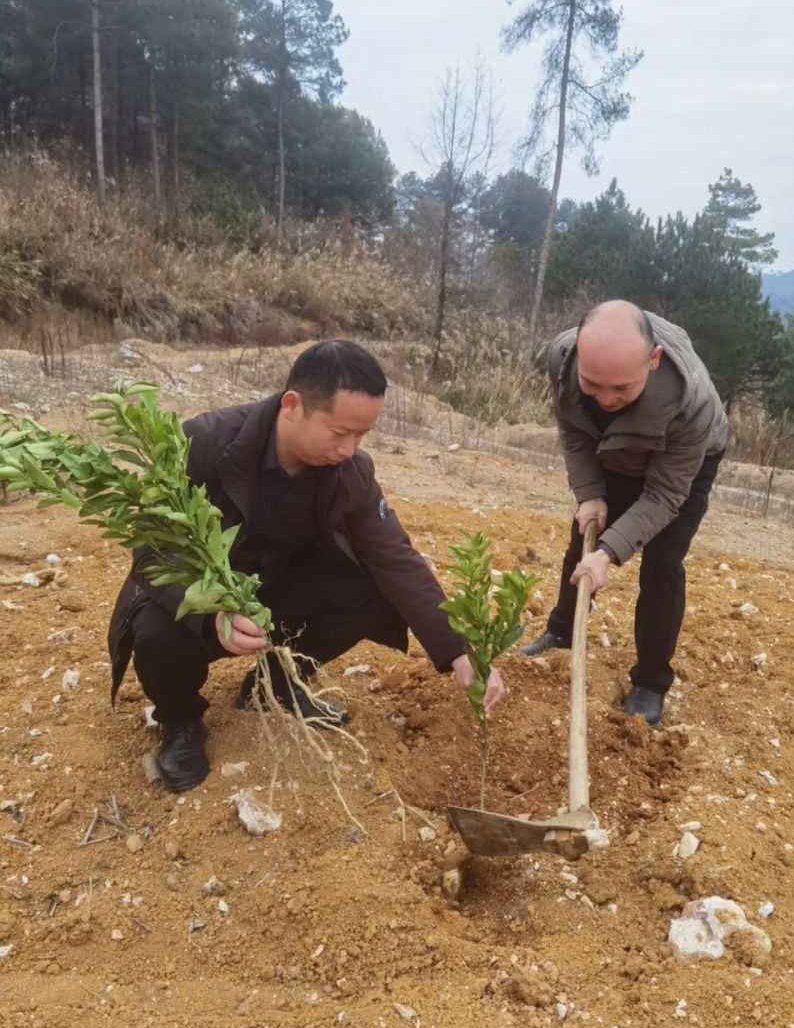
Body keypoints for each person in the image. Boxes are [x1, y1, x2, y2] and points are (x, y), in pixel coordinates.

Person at [108, 340, 505, 792]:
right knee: (156, 629)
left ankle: (275, 687)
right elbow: (151, 551)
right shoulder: (203, 443)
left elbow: (394, 556)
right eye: (339, 433)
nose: (350, 449)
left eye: (362, 436)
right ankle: (179, 720)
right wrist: (211, 614)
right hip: (204, 606)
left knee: (366, 587)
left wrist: (459, 649)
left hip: (274, 595)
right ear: (293, 405)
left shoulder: (350, 471)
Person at [522, 301, 728, 727]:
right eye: (593, 385)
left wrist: (610, 553)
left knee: (662, 564)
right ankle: (562, 631)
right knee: (583, 536)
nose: (606, 398)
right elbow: (574, 432)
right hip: (615, 447)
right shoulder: (562, 361)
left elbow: (665, 495)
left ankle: (651, 682)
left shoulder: (692, 402)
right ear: (578, 351)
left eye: (621, 388)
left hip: (680, 463)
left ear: (653, 361)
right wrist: (590, 494)